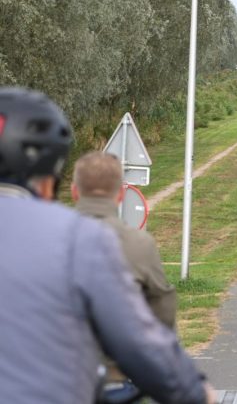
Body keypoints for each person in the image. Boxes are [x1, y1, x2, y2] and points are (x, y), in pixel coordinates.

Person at [0, 87, 214, 403]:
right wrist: (195, 391)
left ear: (75, 190)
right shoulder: (78, 238)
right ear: (50, 176)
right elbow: (139, 340)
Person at [72, 151, 177, 384]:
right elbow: (162, 310)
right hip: (115, 375)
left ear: (74, 192)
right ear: (121, 195)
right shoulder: (139, 244)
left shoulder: (44, 239)